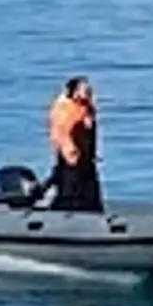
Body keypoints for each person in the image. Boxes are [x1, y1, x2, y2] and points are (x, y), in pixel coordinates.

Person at [44, 75, 104, 212]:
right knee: (70, 188)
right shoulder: (65, 108)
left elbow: (90, 131)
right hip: (71, 157)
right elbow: (60, 132)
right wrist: (69, 151)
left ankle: (92, 209)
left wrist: (92, 153)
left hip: (86, 157)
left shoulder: (86, 106)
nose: (88, 92)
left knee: (90, 189)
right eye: (84, 89)